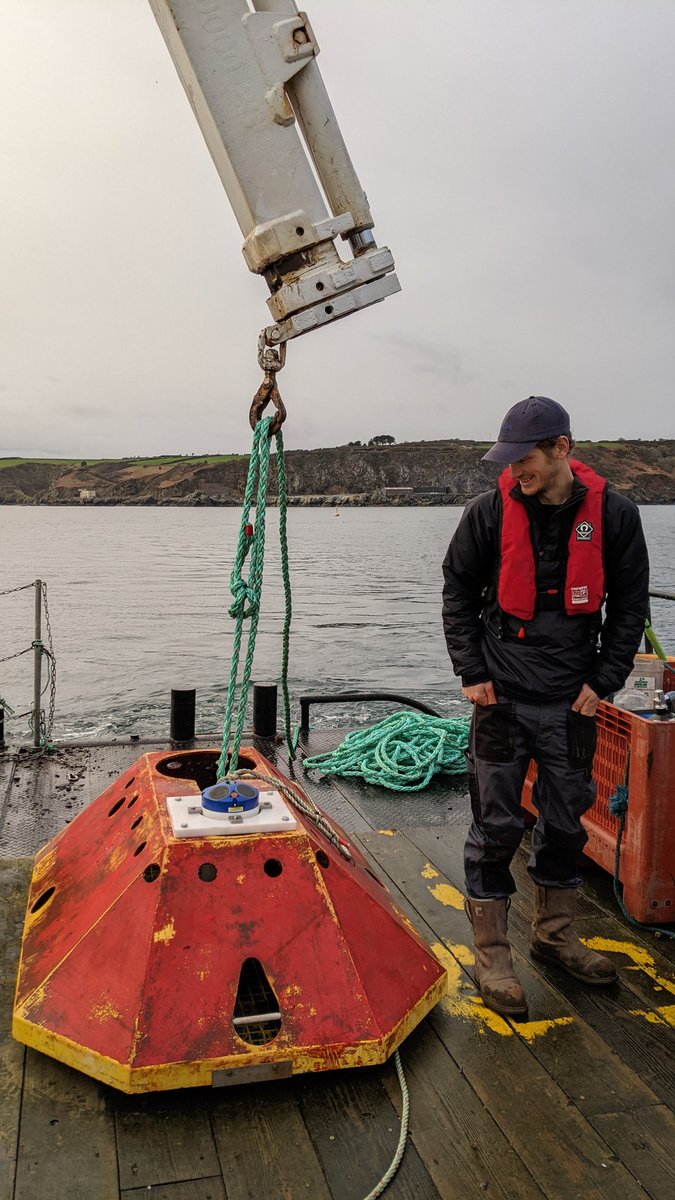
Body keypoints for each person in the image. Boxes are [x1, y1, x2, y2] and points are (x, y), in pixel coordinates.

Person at [442, 396, 650, 1017]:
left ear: (562, 448)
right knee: (497, 826)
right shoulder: (487, 514)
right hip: (501, 697)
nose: (514, 471)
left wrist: (605, 680)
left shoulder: (616, 515)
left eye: (524, 458)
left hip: (573, 703)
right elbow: (456, 590)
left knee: (567, 823)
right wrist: (472, 672)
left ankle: (555, 937)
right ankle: (493, 952)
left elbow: (631, 606)